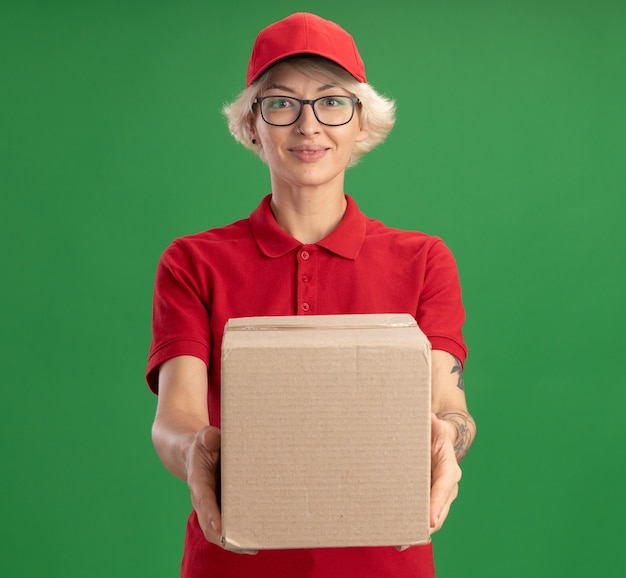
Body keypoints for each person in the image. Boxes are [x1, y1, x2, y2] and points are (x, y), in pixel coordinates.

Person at [146, 12, 476, 578]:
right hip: (234, 559)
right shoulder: (193, 262)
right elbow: (176, 415)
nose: (308, 126)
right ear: (252, 125)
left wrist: (447, 435)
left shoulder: (423, 260)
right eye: (280, 103)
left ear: (360, 122)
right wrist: (194, 450)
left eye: (331, 102)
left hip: (386, 563)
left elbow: (448, 403)